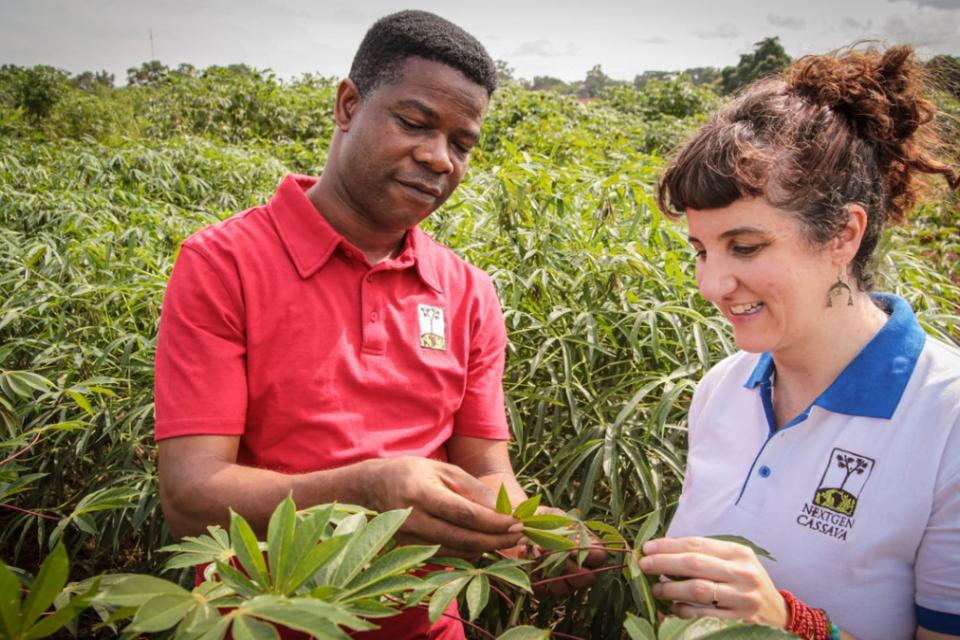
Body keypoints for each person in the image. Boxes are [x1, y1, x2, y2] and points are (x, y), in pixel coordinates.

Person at [154, 11, 596, 639]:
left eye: (462, 144)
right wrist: (365, 491)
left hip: (426, 628)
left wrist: (533, 525)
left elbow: (487, 470)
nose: (439, 158)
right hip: (255, 622)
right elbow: (190, 500)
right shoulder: (223, 264)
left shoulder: (467, 290)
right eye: (415, 124)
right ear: (348, 104)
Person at [640, 46, 960, 640]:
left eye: (746, 247)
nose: (711, 284)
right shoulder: (722, 388)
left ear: (844, 234)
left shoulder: (946, 419)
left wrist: (795, 626)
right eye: (700, 251)